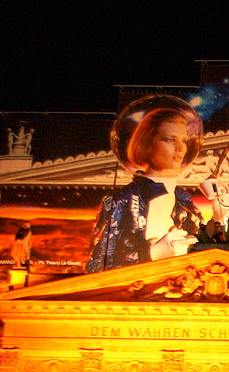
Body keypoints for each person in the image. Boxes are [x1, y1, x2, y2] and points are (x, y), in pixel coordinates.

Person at [86, 100, 204, 273]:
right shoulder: (121, 200)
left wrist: (224, 214)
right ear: (147, 143)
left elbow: (205, 251)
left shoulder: (184, 199)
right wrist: (151, 253)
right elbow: (96, 266)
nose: (180, 148)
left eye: (184, 141)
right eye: (169, 139)